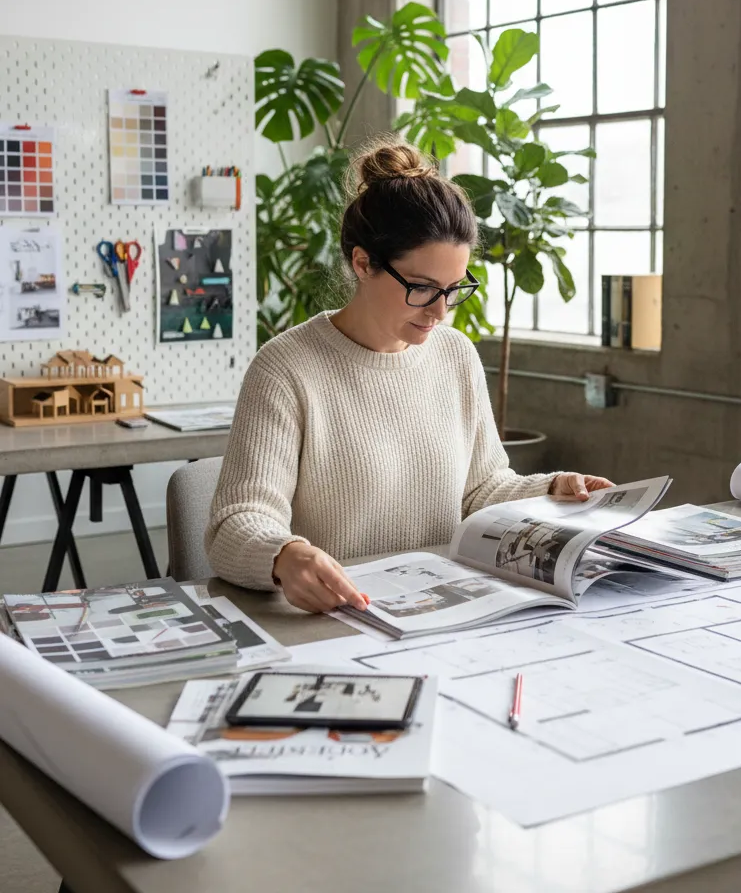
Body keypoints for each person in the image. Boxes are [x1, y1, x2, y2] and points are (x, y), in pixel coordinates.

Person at [206, 138, 613, 613]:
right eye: (422, 288)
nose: (441, 311)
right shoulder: (286, 369)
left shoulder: (456, 356)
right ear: (363, 263)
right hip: (339, 617)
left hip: (445, 611)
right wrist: (283, 555)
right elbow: (235, 522)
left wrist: (551, 489)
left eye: (453, 288)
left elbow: (480, 491)